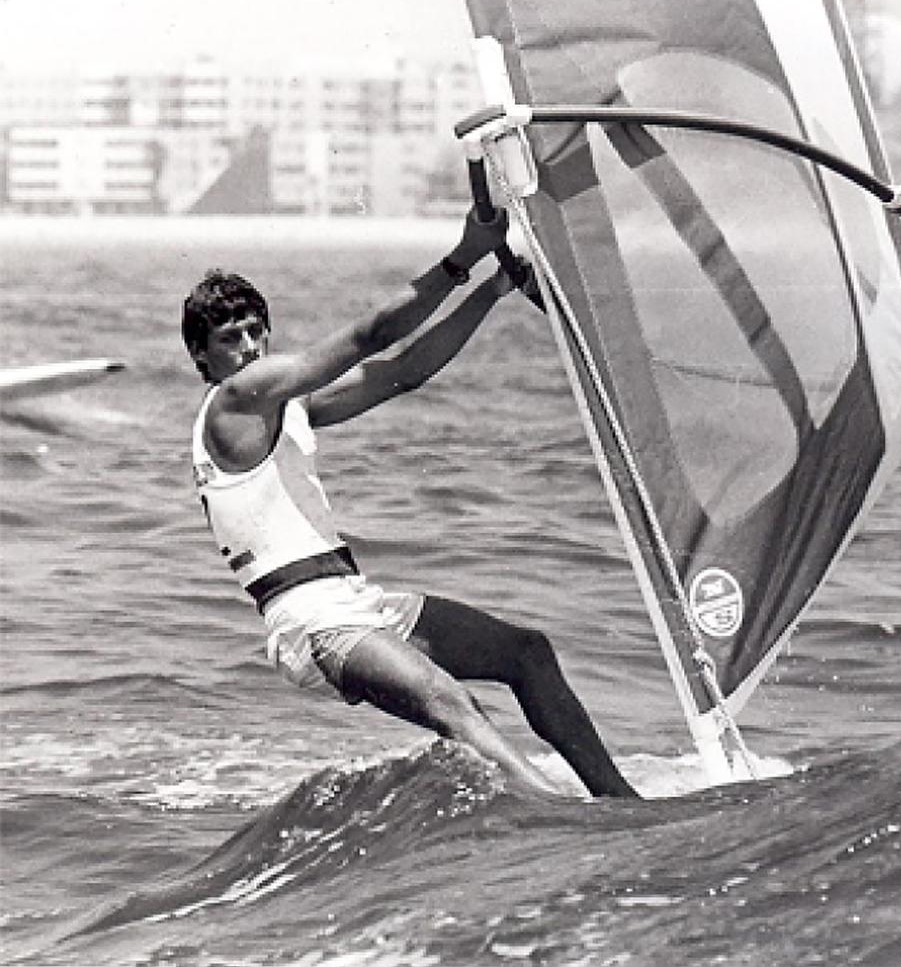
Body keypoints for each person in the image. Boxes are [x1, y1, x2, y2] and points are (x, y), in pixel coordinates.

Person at [182, 209, 638, 799]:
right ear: (202, 358)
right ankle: (562, 817)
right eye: (229, 339)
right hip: (313, 621)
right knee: (453, 704)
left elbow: (401, 373)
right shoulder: (234, 402)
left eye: (255, 331)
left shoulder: (284, 410)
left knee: (527, 653)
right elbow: (369, 336)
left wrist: (493, 291)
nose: (248, 347)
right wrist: (462, 258)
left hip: (356, 600)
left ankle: (622, 802)